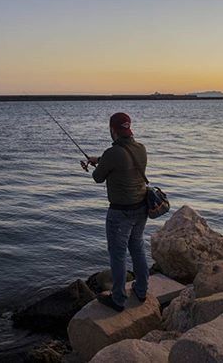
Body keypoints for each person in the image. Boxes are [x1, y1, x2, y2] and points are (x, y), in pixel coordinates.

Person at [81, 112, 148, 312]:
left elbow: (97, 177)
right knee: (137, 248)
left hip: (121, 213)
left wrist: (96, 164)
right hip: (141, 208)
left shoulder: (113, 153)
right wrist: (99, 159)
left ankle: (118, 299)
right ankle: (142, 290)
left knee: (117, 255)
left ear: (112, 130)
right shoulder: (140, 148)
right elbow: (122, 161)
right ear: (128, 129)